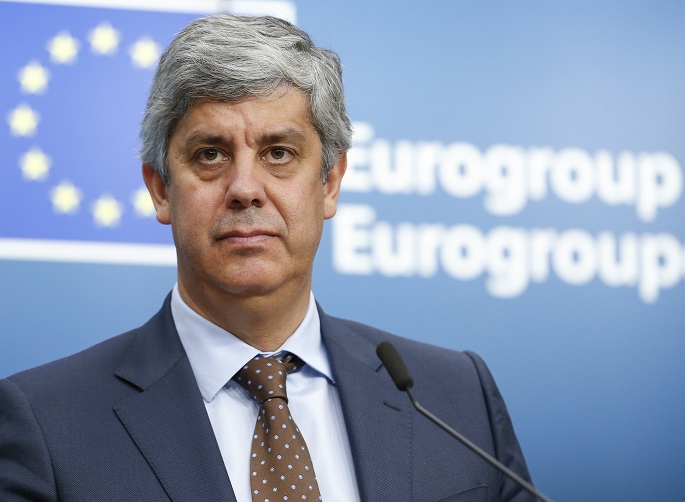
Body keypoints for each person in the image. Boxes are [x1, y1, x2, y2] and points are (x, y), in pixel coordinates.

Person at [0, 14, 535, 502]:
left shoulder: (455, 398)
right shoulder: (45, 424)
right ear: (161, 189)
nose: (245, 189)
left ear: (330, 183)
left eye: (278, 153)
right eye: (210, 154)